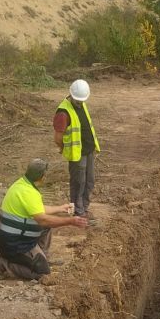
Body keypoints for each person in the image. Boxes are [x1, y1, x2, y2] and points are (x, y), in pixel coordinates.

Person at [0, 158, 88, 280]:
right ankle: (2, 262)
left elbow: (37, 209)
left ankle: (42, 257)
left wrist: (60, 208)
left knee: (46, 226)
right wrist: (70, 221)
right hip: (13, 244)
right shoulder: (29, 192)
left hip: (8, 238)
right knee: (42, 273)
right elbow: (43, 220)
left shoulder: (21, 184)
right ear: (42, 176)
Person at [54, 79, 100, 220]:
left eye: (82, 100)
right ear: (71, 95)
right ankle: (78, 212)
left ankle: (84, 208)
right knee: (78, 183)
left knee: (89, 181)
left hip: (88, 150)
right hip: (77, 154)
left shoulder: (81, 104)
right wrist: (63, 148)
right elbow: (57, 137)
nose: (80, 102)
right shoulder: (63, 112)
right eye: (78, 100)